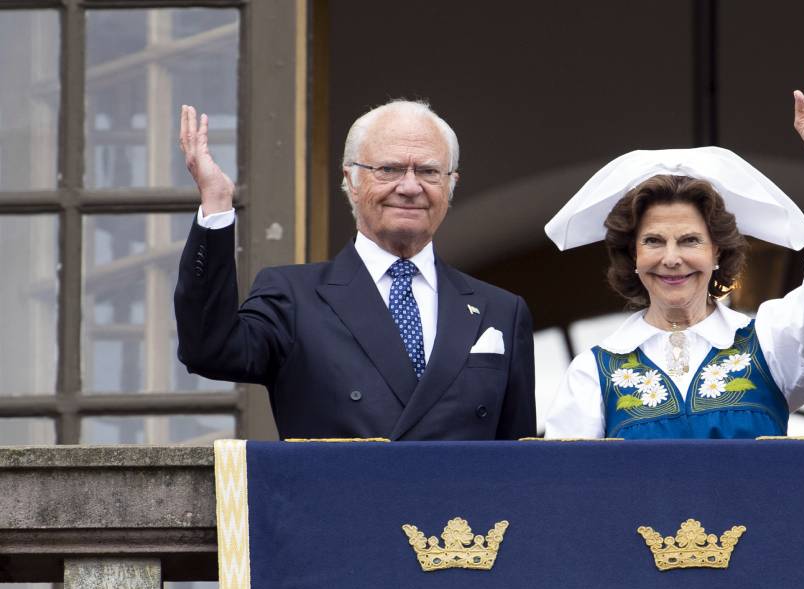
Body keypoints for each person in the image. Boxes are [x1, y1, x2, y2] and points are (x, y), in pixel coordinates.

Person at [543, 60, 804, 439]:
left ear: (717, 252)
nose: (672, 258)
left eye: (689, 240)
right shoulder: (593, 372)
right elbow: (567, 475)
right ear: (632, 256)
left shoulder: (769, 344)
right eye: (653, 241)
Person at [174, 99, 536, 440]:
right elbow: (210, 350)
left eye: (428, 171)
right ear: (352, 180)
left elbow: (519, 462)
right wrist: (217, 203)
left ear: (451, 184)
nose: (410, 187)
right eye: (389, 169)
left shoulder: (501, 311)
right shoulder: (293, 297)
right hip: (339, 489)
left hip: (459, 492)